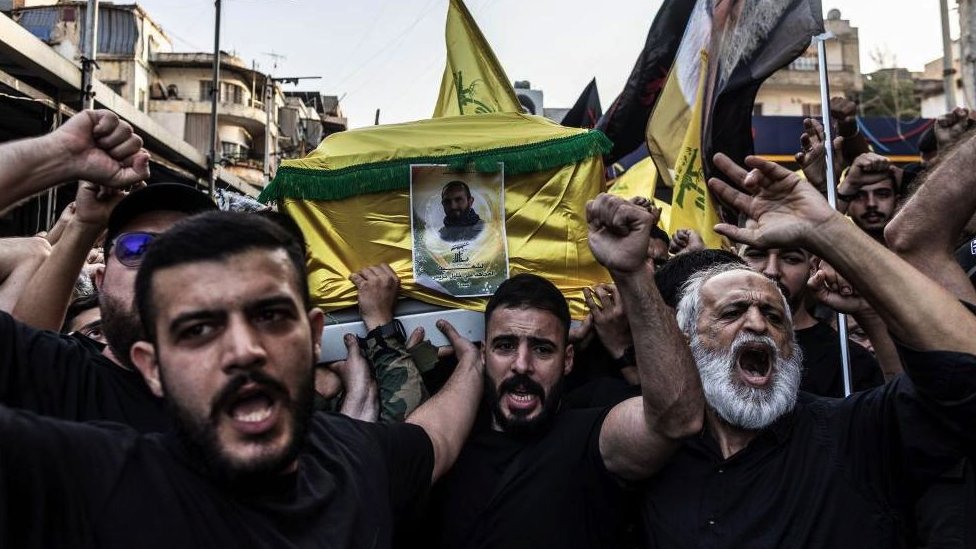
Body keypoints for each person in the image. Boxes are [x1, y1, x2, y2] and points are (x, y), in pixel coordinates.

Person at [0, 211, 484, 548]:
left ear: (314, 336)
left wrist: (473, 362)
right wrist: (53, 158)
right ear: (153, 369)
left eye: (270, 315)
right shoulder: (94, 484)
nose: (244, 350)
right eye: (199, 329)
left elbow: (435, 438)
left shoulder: (356, 456)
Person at [636, 152, 976, 548]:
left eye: (773, 315)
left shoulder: (854, 434)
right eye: (732, 312)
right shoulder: (649, 455)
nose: (758, 324)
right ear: (687, 340)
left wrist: (828, 230)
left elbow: (963, 371)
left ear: (791, 348)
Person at [421, 195, 705, 549]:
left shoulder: (591, 439)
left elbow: (679, 419)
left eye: (542, 349)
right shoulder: (447, 446)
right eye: (505, 346)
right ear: (483, 355)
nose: (522, 365)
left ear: (568, 360)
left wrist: (632, 274)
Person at [737, 241, 885, 396]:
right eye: (756, 255)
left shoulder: (849, 361)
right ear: (734, 261)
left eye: (791, 259)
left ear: (813, 266)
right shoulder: (713, 345)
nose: (772, 271)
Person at [836, 152, 900, 244]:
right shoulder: (835, 252)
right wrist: (849, 185)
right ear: (847, 206)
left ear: (897, 202)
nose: (871, 204)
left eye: (882, 194)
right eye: (859, 196)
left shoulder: (920, 248)